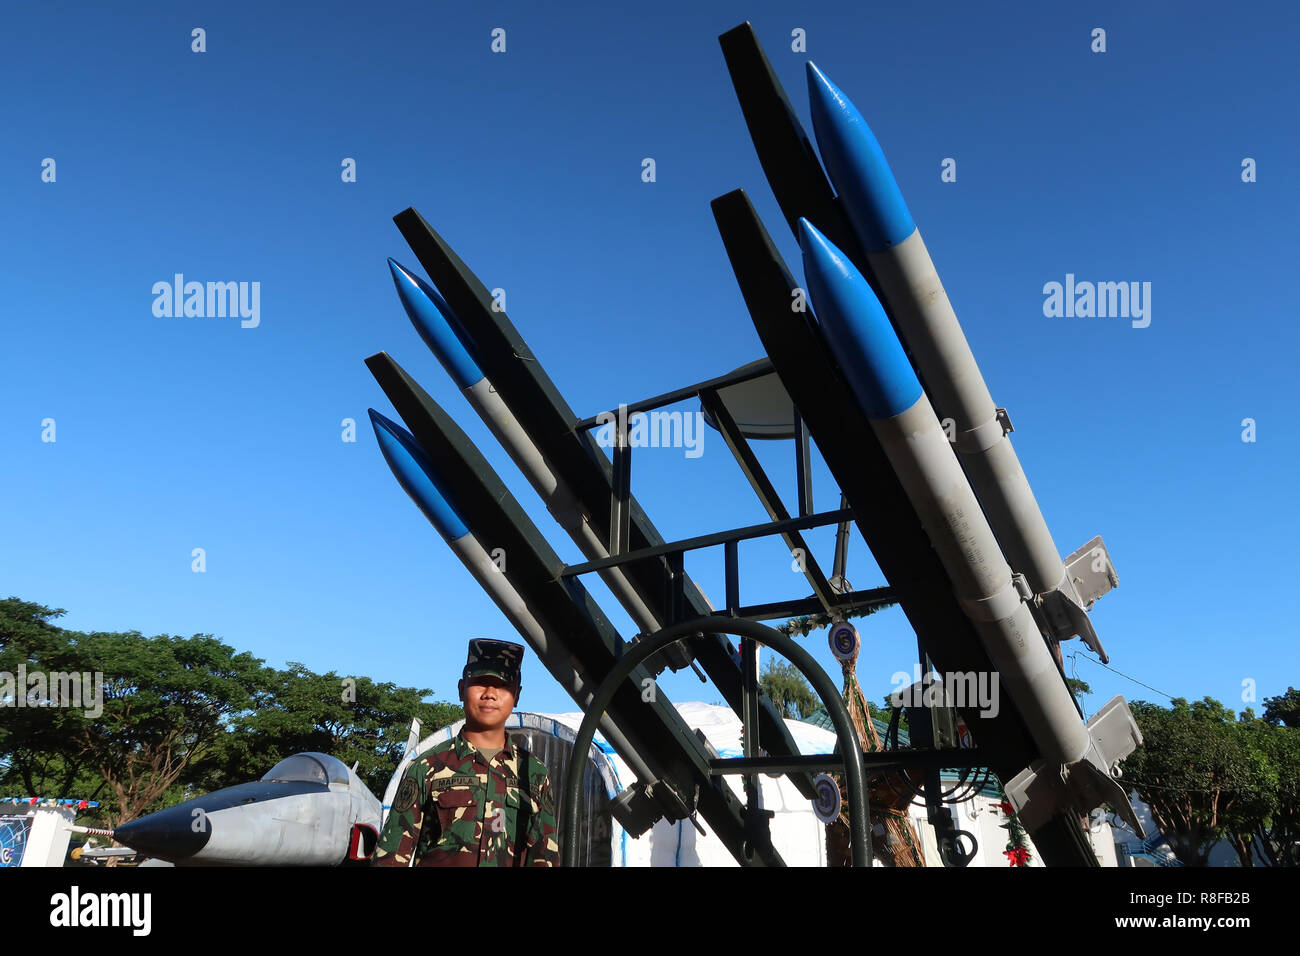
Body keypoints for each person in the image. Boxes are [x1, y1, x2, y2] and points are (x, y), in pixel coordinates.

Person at [372, 639, 559, 866]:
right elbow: (389, 858)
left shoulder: (534, 774)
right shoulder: (427, 767)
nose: (490, 693)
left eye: (502, 685)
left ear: (517, 695)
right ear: (461, 689)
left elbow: (544, 856)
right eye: (480, 682)